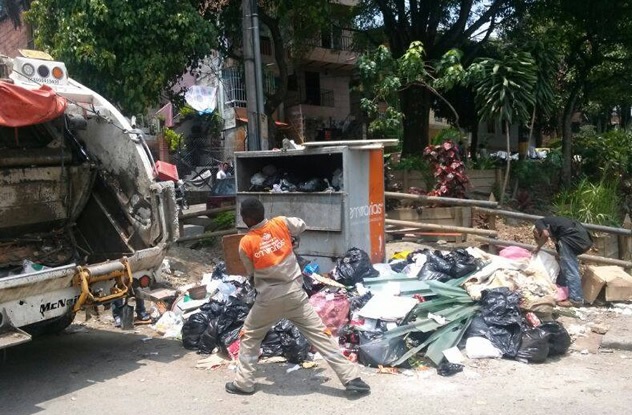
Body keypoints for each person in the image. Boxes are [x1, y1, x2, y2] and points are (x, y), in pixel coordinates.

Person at [225, 198, 370, 396]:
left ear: (245, 218)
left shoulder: (246, 242)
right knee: (320, 335)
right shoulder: (280, 223)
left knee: (250, 336)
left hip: (268, 300)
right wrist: (287, 239)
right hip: (295, 294)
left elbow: (250, 272)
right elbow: (301, 225)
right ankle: (352, 379)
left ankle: (243, 383)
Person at [533, 216, 593, 307]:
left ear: (536, 231)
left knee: (570, 268)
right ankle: (562, 288)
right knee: (565, 264)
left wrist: (538, 247)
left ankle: (576, 299)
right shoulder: (554, 226)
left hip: (572, 239)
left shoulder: (539, 222)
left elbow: (545, 235)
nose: (539, 238)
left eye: (537, 236)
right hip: (583, 239)